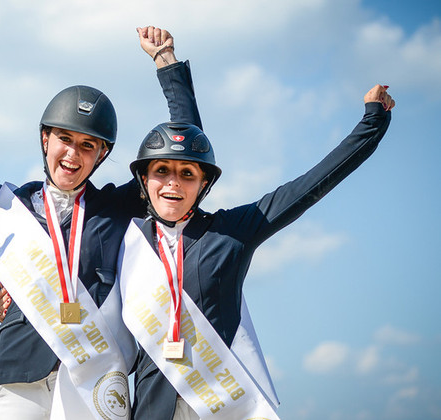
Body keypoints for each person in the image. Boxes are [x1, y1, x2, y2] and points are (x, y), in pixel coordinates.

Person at [118, 82, 394, 419]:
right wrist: (167, 66)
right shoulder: (126, 237)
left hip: (223, 406)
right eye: (162, 171)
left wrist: (372, 124)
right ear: (144, 179)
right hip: (151, 409)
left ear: (204, 184)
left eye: (187, 173)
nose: (174, 182)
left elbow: (309, 187)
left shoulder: (231, 231)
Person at [0, 27, 201, 420]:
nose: (72, 154)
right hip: (18, 374)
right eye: (65, 138)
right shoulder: (7, 204)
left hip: (94, 378)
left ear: (101, 155)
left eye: (87, 146)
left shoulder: (118, 207)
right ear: (45, 138)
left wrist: (166, 63)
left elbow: (190, 149)